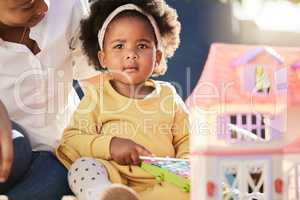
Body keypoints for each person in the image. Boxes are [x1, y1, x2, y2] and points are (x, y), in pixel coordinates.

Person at [55, 0, 189, 200]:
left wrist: (184, 166)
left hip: (162, 179)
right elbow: (72, 140)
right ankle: (105, 195)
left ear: (158, 56)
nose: (131, 54)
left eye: (142, 45)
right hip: (112, 177)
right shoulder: (97, 96)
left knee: (195, 183)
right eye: (119, 46)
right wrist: (110, 145)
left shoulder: (169, 97)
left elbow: (186, 140)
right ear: (103, 59)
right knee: (82, 168)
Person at [0, 0, 99, 199]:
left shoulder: (67, 5)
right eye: (27, 5)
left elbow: (96, 79)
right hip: (10, 143)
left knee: (59, 177)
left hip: (56, 148)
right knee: (17, 146)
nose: (44, 8)